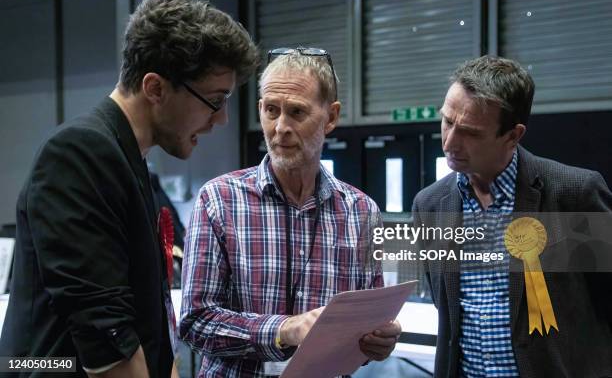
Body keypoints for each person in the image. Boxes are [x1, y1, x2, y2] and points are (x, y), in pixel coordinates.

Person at [0, 0, 258, 377]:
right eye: (215, 100)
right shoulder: (79, 154)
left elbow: (148, 318)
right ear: (155, 88)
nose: (220, 119)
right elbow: (108, 339)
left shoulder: (130, 161)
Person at [180, 47, 401, 377]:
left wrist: (377, 341)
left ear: (331, 117)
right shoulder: (219, 201)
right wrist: (283, 330)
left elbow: (366, 327)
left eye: (297, 112)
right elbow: (196, 321)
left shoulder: (360, 212)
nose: (280, 126)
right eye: (271, 110)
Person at [412, 55, 612, 377]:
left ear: (513, 136)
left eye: (470, 133)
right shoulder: (430, 205)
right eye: (447, 121)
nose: (449, 142)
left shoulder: (574, 193)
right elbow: (445, 307)